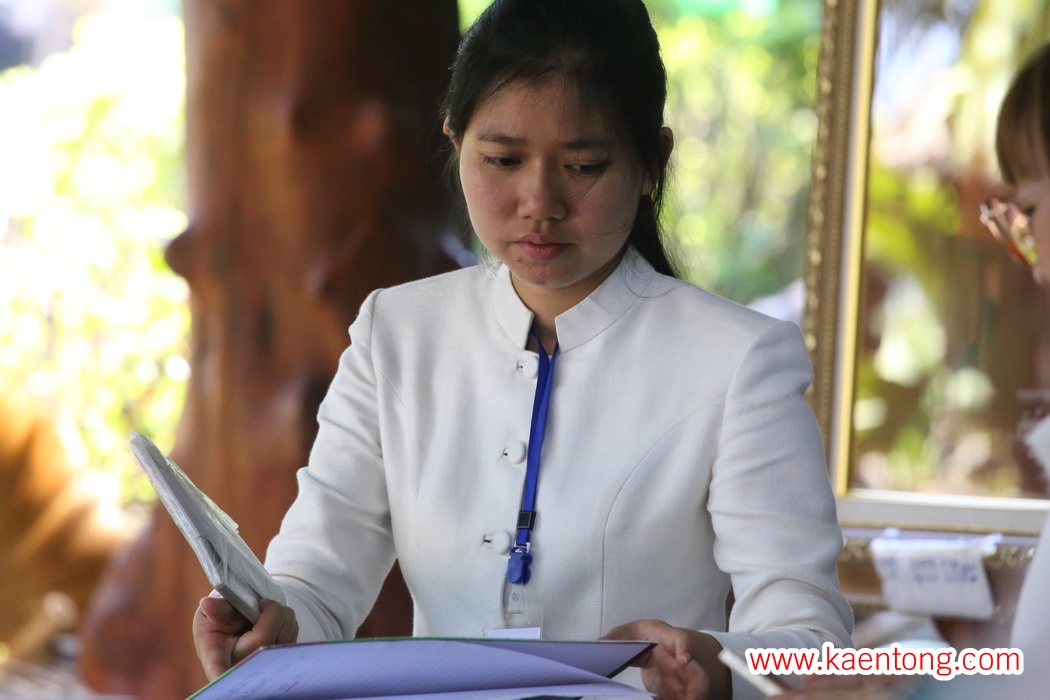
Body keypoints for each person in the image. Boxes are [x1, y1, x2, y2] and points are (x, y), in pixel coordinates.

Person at [192, 1, 853, 697]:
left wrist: (715, 665)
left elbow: (817, 646)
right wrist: (272, 626)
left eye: (584, 165)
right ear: (456, 143)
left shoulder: (739, 360)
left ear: (651, 162)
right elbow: (316, 580)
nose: (539, 201)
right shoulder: (397, 333)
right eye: (503, 160)